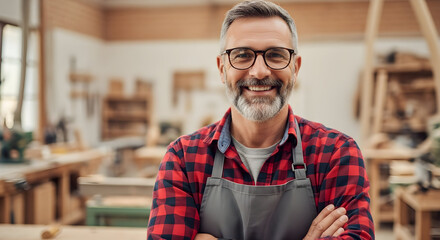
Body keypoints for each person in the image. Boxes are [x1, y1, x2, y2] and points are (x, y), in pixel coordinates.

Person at [147, 1, 374, 239]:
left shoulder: (335, 154)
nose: (259, 72)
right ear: (222, 68)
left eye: (275, 55)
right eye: (242, 55)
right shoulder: (184, 159)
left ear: (295, 68)